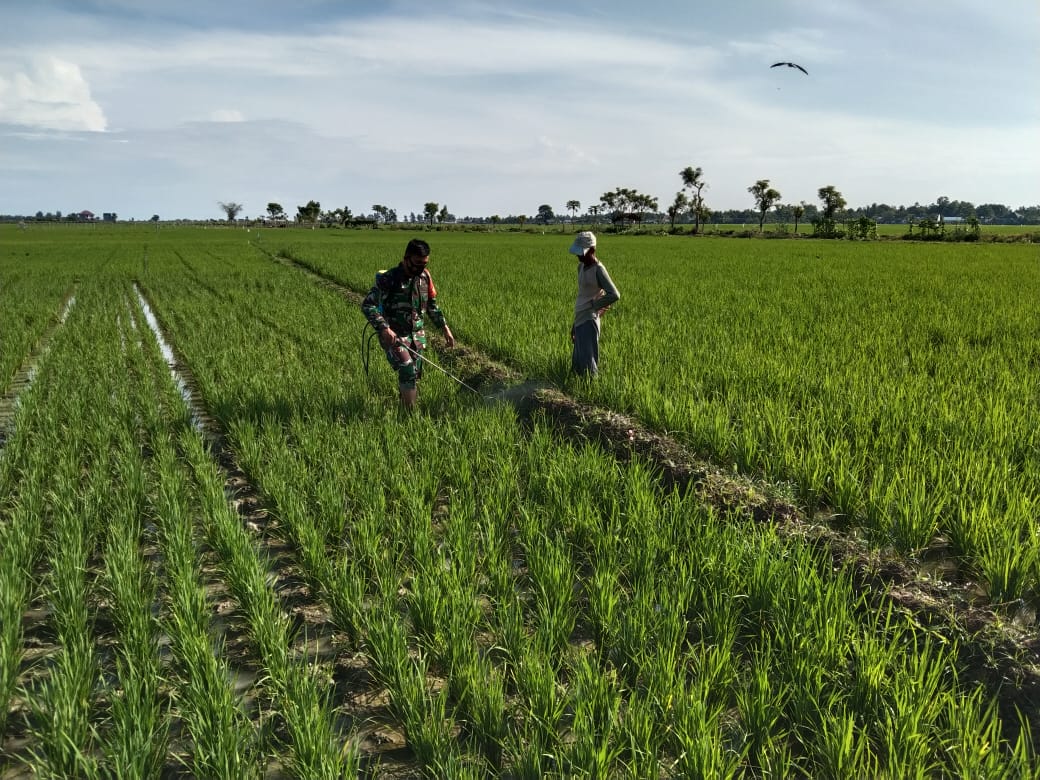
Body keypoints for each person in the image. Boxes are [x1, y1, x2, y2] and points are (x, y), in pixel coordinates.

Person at [362, 238, 455, 409]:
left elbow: (432, 306)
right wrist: (384, 328)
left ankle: (404, 407)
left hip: (417, 337)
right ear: (406, 258)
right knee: (407, 370)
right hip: (394, 336)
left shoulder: (425, 277)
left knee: (413, 376)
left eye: (424, 263)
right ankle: (410, 415)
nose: (420, 268)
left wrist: (445, 329)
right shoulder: (389, 278)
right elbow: (368, 304)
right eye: (417, 263)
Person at [568, 231, 620, 377]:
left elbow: (614, 294)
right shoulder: (581, 267)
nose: (579, 256)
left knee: (588, 361)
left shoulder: (598, 269)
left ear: (592, 250)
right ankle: (577, 389)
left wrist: (595, 306)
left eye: (582, 253)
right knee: (578, 360)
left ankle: (590, 390)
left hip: (589, 319)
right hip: (580, 316)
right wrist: (574, 325)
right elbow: (582, 296)